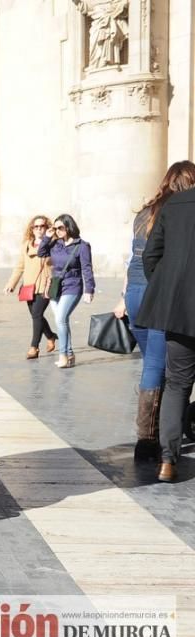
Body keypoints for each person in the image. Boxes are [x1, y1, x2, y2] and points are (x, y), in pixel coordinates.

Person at [114, 162, 195, 463]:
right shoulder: (178, 211)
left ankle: (158, 435)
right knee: (164, 370)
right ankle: (150, 442)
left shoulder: (146, 211)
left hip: (135, 294)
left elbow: (137, 256)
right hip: (160, 295)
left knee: (154, 365)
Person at [136, 165, 195, 481]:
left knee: (176, 384)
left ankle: (168, 462)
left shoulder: (172, 207)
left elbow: (149, 256)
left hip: (178, 311)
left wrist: (166, 289)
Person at [37, 214, 95, 369]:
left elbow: (87, 268)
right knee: (61, 321)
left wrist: (89, 289)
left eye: (60, 228)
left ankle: (63, 355)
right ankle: (69, 354)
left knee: (61, 319)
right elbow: (41, 253)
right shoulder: (56, 244)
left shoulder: (82, 245)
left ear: (69, 227)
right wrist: (47, 237)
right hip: (56, 286)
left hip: (73, 285)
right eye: (55, 228)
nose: (57, 231)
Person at [3, 216, 59, 360]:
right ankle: (51, 336)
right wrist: (11, 284)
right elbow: (20, 266)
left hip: (46, 285)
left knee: (36, 314)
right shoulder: (26, 245)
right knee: (36, 315)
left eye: (42, 226)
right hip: (29, 286)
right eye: (36, 226)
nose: (39, 229)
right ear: (32, 229)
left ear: (47, 228)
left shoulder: (53, 244)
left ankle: (34, 347)